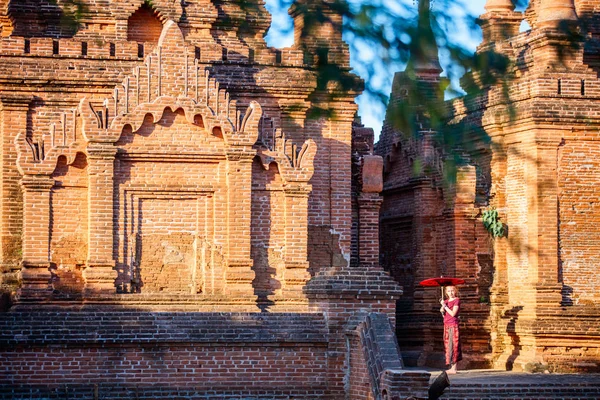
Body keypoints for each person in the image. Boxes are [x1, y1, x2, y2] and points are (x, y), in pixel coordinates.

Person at [439, 285, 462, 374]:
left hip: (453, 325)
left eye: (452, 290)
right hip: (447, 325)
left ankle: (454, 368)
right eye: (449, 291)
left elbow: (453, 313)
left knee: (454, 345)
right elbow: (445, 315)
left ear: (455, 291)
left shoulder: (457, 300)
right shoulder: (445, 301)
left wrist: (445, 307)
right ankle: (451, 367)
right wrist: (442, 309)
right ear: (446, 292)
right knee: (448, 345)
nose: (451, 293)